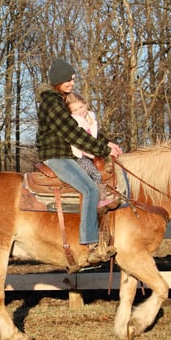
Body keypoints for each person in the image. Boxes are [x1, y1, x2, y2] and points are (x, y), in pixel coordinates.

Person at [36, 58, 123, 266]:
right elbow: (72, 132)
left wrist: (107, 143)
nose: (72, 83)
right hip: (56, 156)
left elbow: (84, 129)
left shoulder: (60, 100)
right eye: (68, 80)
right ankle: (90, 245)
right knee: (90, 189)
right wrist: (102, 150)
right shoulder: (52, 102)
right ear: (58, 80)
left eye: (73, 80)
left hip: (67, 154)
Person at [65, 91, 118, 209]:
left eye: (81, 106)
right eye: (75, 110)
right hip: (78, 156)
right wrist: (96, 153)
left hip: (90, 152)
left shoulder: (90, 119)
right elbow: (83, 143)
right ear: (70, 113)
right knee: (95, 174)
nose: (80, 111)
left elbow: (96, 136)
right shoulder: (75, 122)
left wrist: (109, 144)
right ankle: (99, 201)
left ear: (85, 104)